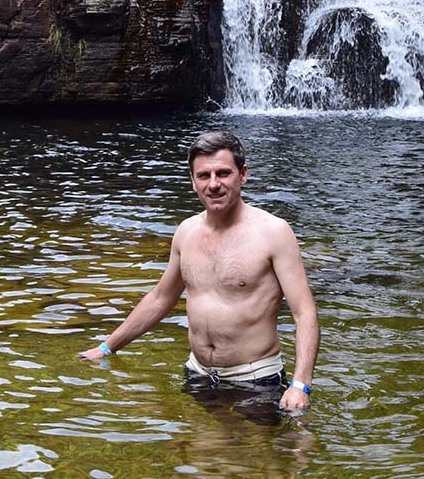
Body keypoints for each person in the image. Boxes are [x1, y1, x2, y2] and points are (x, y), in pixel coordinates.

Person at [78, 130, 320, 412]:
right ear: (193, 182)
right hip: (199, 375)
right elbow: (160, 298)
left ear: (243, 175)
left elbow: (305, 312)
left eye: (223, 173)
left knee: (262, 455)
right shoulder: (186, 232)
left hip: (255, 379)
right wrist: (106, 348)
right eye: (204, 175)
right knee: (200, 452)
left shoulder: (273, 232)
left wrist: (300, 384)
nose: (213, 184)